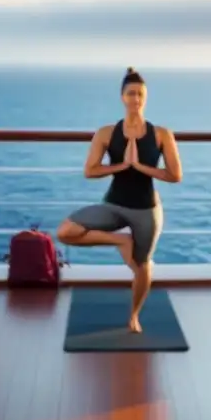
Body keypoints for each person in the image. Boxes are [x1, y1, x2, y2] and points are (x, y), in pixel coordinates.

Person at [56, 68, 183, 333]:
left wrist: (140, 166)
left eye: (140, 94)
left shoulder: (161, 134)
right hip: (114, 205)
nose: (135, 99)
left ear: (145, 98)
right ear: (122, 97)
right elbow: (90, 171)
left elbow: (175, 175)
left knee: (142, 265)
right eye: (130, 93)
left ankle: (134, 316)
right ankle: (119, 239)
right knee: (66, 231)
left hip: (147, 210)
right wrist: (122, 165)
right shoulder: (106, 133)